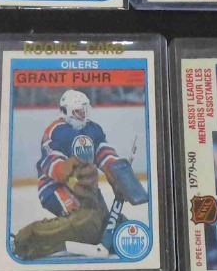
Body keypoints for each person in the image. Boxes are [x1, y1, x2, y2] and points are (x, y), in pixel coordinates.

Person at [12, 89, 148, 259]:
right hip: (55, 187)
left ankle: (94, 237)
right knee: (83, 221)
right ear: (66, 111)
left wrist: (116, 170)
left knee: (101, 223)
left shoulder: (93, 129)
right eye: (78, 111)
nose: (83, 114)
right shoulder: (56, 131)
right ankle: (28, 239)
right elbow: (49, 161)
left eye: (85, 110)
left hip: (86, 186)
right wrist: (65, 171)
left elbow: (103, 152)